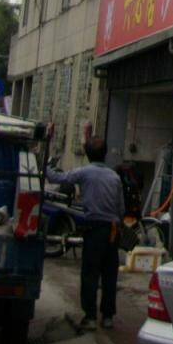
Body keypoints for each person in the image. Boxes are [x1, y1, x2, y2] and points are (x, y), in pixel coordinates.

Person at [45, 136, 124, 333]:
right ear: (105, 153)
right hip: (113, 230)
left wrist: (44, 162)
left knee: (90, 273)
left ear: (87, 154)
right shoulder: (114, 177)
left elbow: (57, 178)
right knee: (110, 274)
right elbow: (121, 208)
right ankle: (108, 316)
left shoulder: (85, 172)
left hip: (94, 229)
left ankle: (90, 317)